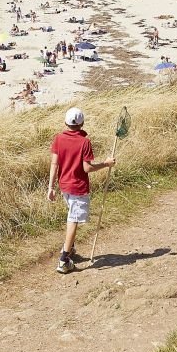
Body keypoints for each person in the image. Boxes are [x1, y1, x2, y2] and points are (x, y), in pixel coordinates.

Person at [48, 107, 115, 274]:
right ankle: (64, 260)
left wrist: (50, 187)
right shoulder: (85, 142)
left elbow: (54, 164)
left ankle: (69, 249)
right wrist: (106, 164)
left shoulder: (59, 138)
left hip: (64, 185)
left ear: (65, 123)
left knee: (72, 216)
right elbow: (87, 168)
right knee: (73, 220)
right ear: (82, 123)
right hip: (78, 187)